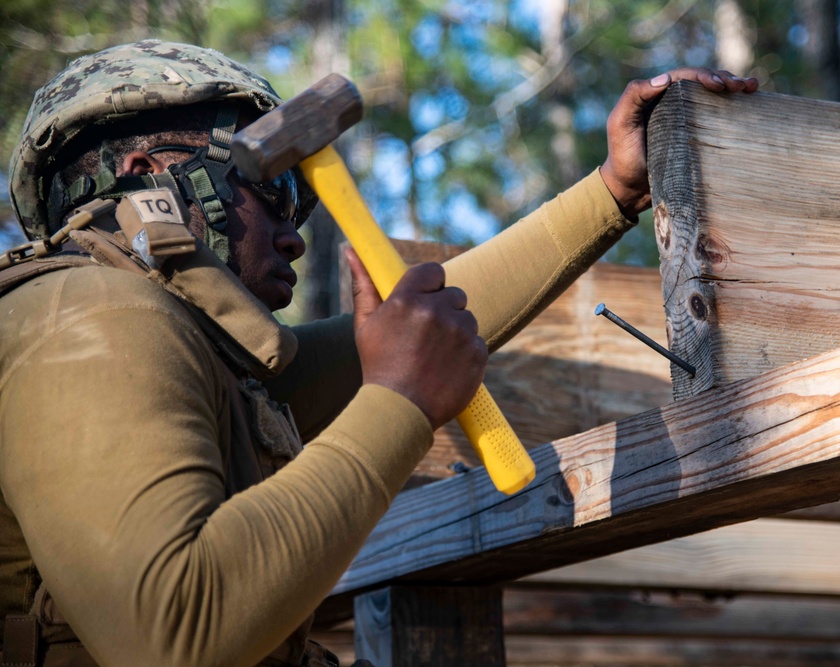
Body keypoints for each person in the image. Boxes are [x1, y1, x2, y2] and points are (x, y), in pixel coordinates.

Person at [0, 39, 755, 666]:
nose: (296, 231)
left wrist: (615, 188)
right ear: (151, 179)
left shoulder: (203, 359)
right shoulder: (89, 315)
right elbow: (169, 634)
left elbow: (435, 319)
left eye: (304, 202)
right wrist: (399, 402)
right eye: (269, 189)